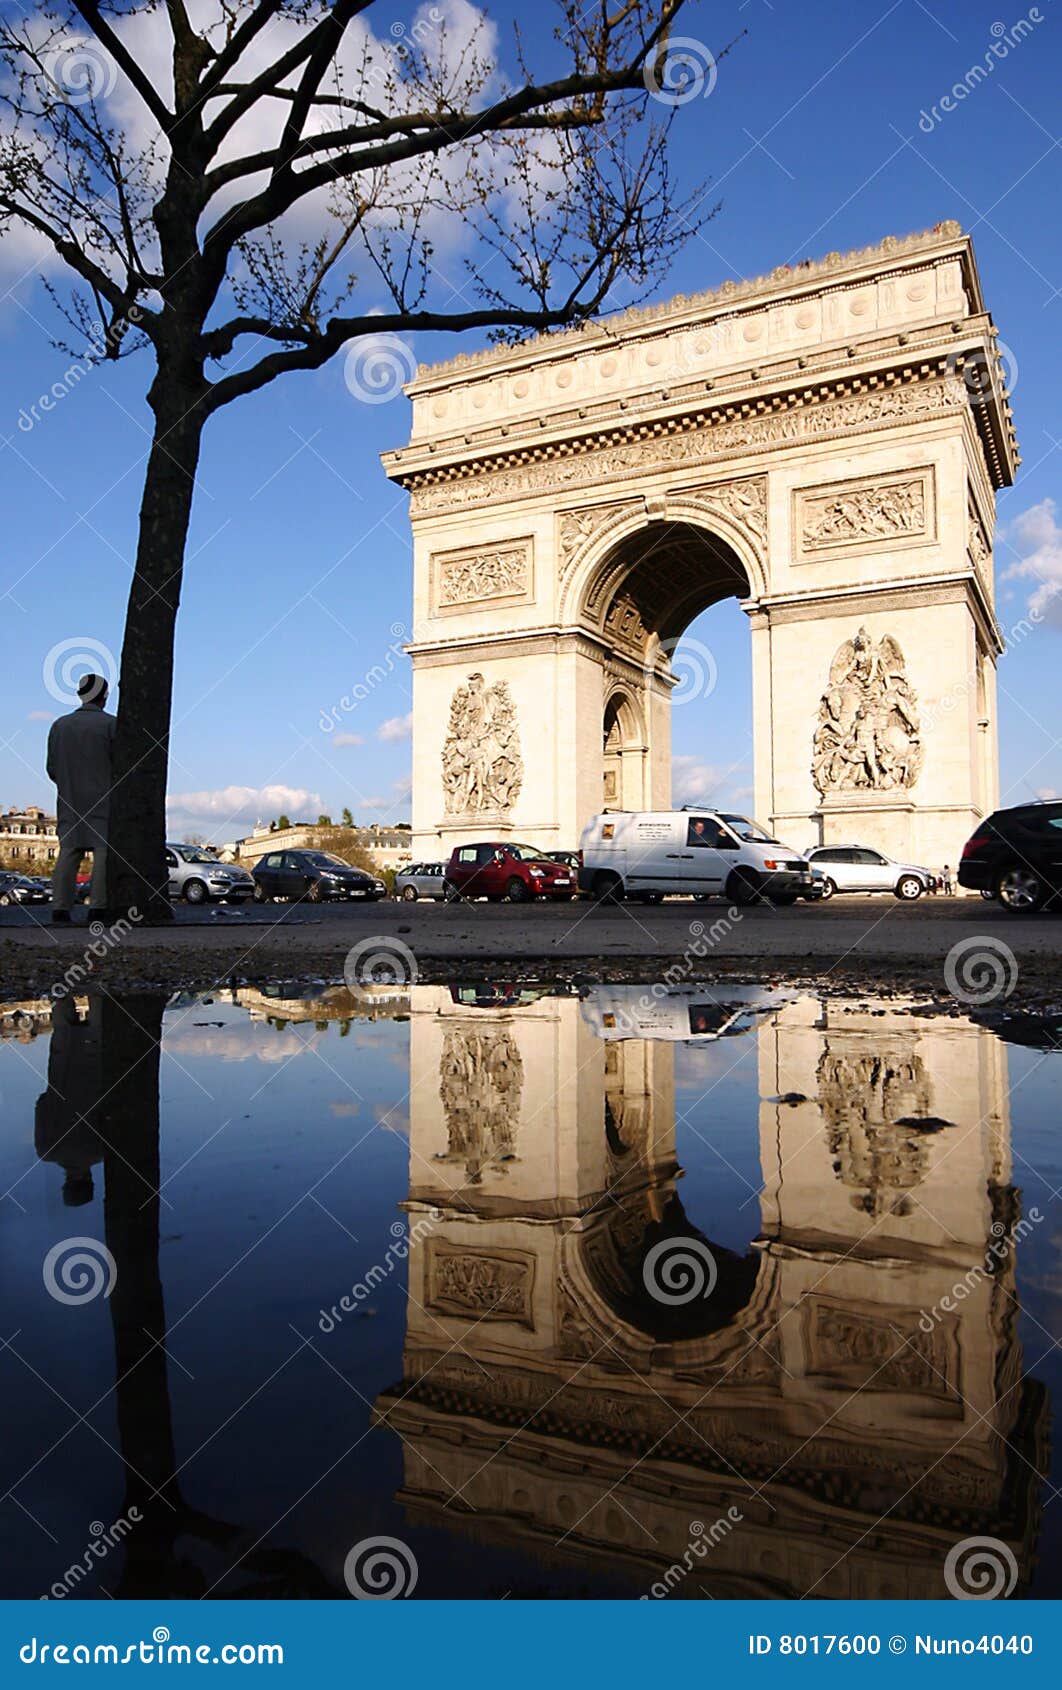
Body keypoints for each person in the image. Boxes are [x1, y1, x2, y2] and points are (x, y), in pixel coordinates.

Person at [46, 672, 116, 922]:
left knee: (69, 851)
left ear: (80, 694)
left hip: (70, 797)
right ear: (104, 696)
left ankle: (60, 907)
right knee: (103, 851)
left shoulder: (60, 726)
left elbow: (52, 768)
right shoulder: (111, 725)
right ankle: (98, 907)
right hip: (104, 795)